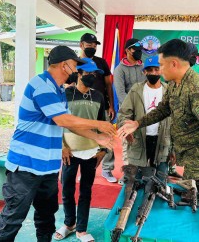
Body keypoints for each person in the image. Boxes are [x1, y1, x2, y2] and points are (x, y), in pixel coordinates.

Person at [0, 46, 116, 242]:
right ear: (64, 65)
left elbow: (69, 123)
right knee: (13, 218)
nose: (76, 70)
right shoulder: (41, 85)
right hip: (26, 166)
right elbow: (63, 120)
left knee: (46, 218)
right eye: (75, 65)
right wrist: (98, 124)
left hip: (48, 167)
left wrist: (98, 138)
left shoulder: (59, 90)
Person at [118, 39, 199, 181]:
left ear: (174, 63)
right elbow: (163, 109)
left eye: (161, 65)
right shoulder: (175, 84)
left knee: (196, 197)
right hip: (188, 155)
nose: (159, 70)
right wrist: (138, 123)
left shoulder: (196, 90)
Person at [54, 58, 106, 242]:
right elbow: (56, 123)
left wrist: (103, 150)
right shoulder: (65, 94)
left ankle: (81, 229)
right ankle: (69, 223)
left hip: (91, 152)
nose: (91, 77)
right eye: (88, 74)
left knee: (86, 191)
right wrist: (62, 147)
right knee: (67, 189)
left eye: (94, 74)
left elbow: (103, 124)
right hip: (70, 152)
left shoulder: (99, 96)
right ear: (78, 74)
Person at [117, 55, 171, 174]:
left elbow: (176, 119)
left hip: (162, 141)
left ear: (161, 70)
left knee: (160, 179)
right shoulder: (136, 90)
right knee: (135, 179)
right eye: (150, 70)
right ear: (144, 71)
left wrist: (175, 149)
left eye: (156, 69)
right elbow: (124, 113)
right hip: (139, 140)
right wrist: (126, 130)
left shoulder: (169, 91)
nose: (153, 73)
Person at [79, 33, 117, 183]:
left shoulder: (101, 62)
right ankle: (85, 169)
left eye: (95, 45)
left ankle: (107, 169)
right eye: (89, 45)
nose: (93, 48)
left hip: (101, 106)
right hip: (82, 107)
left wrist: (111, 105)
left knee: (107, 137)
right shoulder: (74, 62)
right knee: (84, 138)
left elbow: (108, 84)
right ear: (81, 45)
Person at [114, 38, 146, 183]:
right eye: (135, 49)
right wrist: (133, 108)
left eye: (140, 49)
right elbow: (120, 94)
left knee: (144, 141)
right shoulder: (119, 70)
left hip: (144, 112)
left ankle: (142, 173)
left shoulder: (144, 67)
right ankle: (128, 176)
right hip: (127, 112)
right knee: (129, 143)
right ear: (127, 50)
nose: (139, 52)